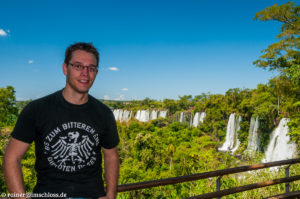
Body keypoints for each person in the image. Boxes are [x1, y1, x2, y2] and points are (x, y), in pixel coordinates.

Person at [3, 42, 120, 199]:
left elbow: (111, 155)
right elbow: (11, 158)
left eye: (91, 68)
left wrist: (111, 194)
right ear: (65, 68)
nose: (85, 73)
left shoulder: (104, 113)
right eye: (78, 66)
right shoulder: (37, 110)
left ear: (96, 73)